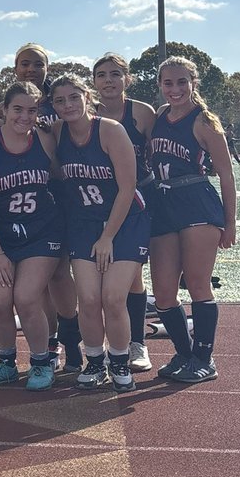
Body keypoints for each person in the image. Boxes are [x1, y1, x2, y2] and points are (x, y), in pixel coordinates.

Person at [51, 75, 149, 392]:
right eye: (59, 100)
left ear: (87, 96)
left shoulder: (110, 130)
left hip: (125, 220)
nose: (67, 105)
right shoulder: (57, 132)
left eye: (73, 97)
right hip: (83, 222)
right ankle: (95, 361)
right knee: (89, 298)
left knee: (113, 297)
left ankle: (119, 360)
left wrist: (107, 237)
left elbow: (127, 188)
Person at [149, 56, 237, 383]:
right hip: (163, 204)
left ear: (193, 83)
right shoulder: (159, 115)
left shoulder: (205, 121)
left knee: (198, 284)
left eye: (181, 82)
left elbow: (226, 176)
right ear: (160, 85)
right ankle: (185, 354)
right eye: (168, 83)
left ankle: (204, 358)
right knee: (163, 293)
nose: (175, 89)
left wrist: (230, 223)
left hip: (197, 202)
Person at [0, 82, 63, 392]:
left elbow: (61, 177)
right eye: (18, 109)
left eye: (32, 110)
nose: (24, 116)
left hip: (41, 231)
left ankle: (41, 361)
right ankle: (6, 363)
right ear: (5, 109)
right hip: (0, 233)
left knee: (25, 297)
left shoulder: (45, 139)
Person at [9, 43, 82, 372]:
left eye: (37, 64)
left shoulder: (60, 100)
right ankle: (51, 344)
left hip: (64, 192)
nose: (31, 69)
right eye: (25, 64)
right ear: (16, 68)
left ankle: (72, 339)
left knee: (61, 274)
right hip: (27, 198)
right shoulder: (10, 104)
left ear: (47, 68)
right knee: (39, 279)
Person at [92, 53, 156, 372]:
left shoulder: (141, 113)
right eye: (102, 75)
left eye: (115, 74)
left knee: (132, 276)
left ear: (127, 79)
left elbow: (157, 153)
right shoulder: (85, 113)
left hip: (137, 200)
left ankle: (136, 343)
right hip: (96, 203)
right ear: (93, 82)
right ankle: (99, 344)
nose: (108, 80)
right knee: (97, 280)